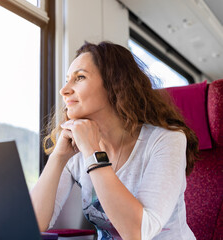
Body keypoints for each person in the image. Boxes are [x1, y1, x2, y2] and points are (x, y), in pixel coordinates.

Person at [30, 41, 198, 240]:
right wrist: (58, 157)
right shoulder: (74, 149)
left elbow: (137, 233)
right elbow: (33, 224)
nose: (64, 90)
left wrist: (93, 153)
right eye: (67, 80)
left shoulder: (166, 140)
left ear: (114, 85)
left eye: (80, 77)